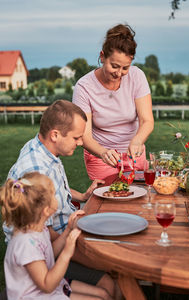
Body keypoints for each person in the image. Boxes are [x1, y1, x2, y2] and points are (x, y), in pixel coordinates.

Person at [3, 100, 121, 299]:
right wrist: (85, 249)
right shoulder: (36, 170)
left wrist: (83, 196)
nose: (81, 142)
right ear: (55, 135)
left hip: (56, 238)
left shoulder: (42, 149)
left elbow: (57, 188)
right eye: (77, 137)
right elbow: (46, 234)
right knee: (110, 278)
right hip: (42, 255)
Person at [0, 172, 113, 300]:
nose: (58, 199)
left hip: (49, 287)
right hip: (36, 295)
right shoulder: (26, 244)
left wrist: (67, 231)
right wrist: (67, 251)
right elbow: (46, 285)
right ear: (46, 210)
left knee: (104, 295)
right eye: (54, 195)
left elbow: (50, 253)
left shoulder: (38, 228)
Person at [72, 23, 154, 180]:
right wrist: (103, 152)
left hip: (134, 154)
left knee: (139, 198)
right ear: (102, 56)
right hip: (101, 156)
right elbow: (85, 136)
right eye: (114, 66)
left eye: (125, 68)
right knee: (109, 198)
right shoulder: (84, 87)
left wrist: (137, 141)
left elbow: (147, 121)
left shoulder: (137, 77)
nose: (119, 73)